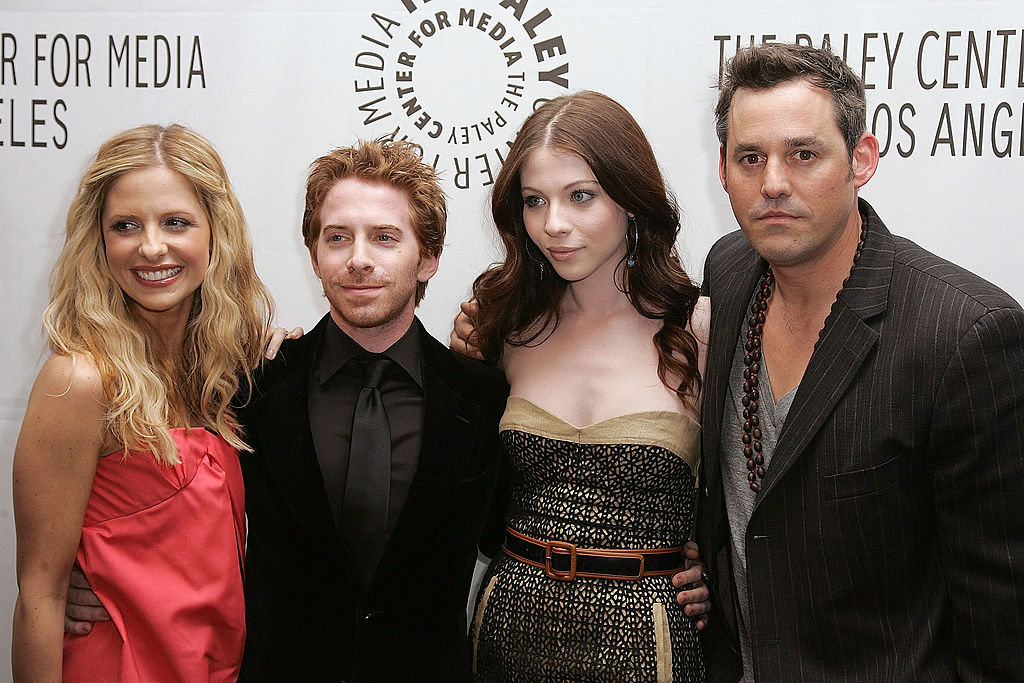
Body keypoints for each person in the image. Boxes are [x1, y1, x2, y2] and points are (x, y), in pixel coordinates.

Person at [694, 43, 1024, 681]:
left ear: (862, 160)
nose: (773, 184)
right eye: (750, 158)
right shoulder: (729, 271)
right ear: (724, 171)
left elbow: (1002, 627)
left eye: (804, 154)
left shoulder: (967, 337)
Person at [236, 138, 511, 681]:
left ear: (428, 258)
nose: (359, 259)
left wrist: (671, 564)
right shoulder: (253, 387)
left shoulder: (483, 399)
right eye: (337, 238)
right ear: (314, 255)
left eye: (384, 238)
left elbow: (523, 534)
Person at [12, 124, 274, 682]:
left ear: (214, 234)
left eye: (175, 222)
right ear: (99, 241)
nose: (151, 246)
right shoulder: (80, 381)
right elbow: (39, 596)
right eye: (125, 226)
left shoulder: (224, 374)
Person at [465, 91, 710, 681]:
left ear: (630, 199)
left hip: (647, 643)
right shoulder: (503, 329)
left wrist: (719, 578)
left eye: (581, 196)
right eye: (534, 201)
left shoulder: (700, 329)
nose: (554, 224)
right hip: (509, 630)